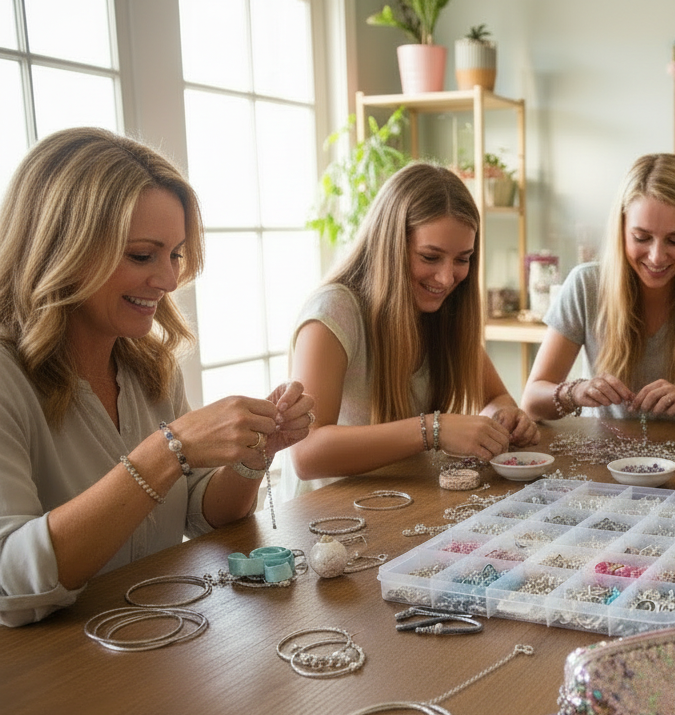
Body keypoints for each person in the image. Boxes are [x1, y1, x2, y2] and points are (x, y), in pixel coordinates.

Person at [0, 128, 315, 628]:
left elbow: (199, 511)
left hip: (155, 642)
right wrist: (170, 448)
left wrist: (256, 453)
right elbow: (12, 582)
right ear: (64, 247)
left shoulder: (148, 366)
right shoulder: (7, 380)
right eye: (143, 255)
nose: (169, 281)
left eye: (175, 254)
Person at [281, 162, 538, 501]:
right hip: (324, 523)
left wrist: (501, 421)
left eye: (463, 259)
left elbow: (494, 399)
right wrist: (433, 430)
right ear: (389, 245)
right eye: (430, 257)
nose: (447, 278)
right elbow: (307, 452)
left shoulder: (445, 311)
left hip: (403, 507)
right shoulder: (333, 312)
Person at [520, 153, 675, 426]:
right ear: (622, 229)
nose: (656, 257)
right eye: (641, 238)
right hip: (604, 461)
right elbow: (532, 401)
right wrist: (574, 392)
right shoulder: (586, 284)